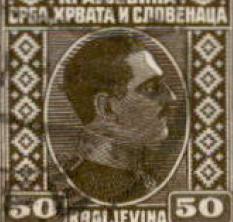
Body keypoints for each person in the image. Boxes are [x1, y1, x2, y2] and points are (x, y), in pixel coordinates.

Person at [58, 31, 177, 203]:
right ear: (106, 108)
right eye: (151, 88)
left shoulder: (142, 180)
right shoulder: (93, 186)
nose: (172, 97)